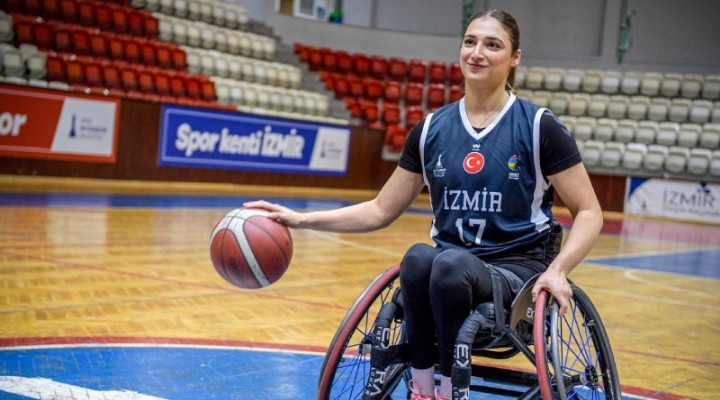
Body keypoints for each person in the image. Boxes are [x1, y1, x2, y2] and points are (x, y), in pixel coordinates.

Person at [245, 9, 603, 400]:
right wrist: (299, 220)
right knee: (417, 258)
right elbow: (380, 209)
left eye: (493, 45)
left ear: (514, 57)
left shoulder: (538, 126)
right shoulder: (431, 129)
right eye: (470, 42)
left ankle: (448, 390)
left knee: (448, 264)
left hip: (514, 274)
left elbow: (589, 212)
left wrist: (559, 270)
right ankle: (422, 386)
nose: (477, 53)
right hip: (448, 275)